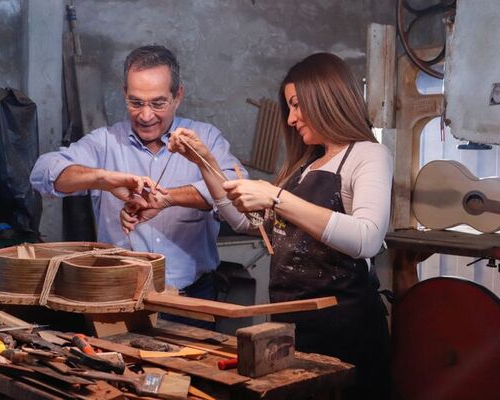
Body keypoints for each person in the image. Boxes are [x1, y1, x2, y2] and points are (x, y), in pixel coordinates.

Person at [165, 53, 392, 399]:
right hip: (294, 328)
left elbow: (367, 238)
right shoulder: (305, 165)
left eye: (298, 105)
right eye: (289, 107)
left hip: (347, 331)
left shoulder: (366, 155)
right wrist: (204, 162)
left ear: (327, 98)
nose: (292, 118)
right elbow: (247, 222)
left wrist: (275, 197)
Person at [30, 45, 245, 309]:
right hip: (116, 296)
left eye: (157, 103)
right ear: (124, 94)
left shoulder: (205, 138)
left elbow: (237, 194)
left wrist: (169, 198)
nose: (145, 115)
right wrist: (104, 179)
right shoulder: (106, 142)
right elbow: (43, 173)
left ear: (178, 95)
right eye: (136, 102)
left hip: (190, 298)